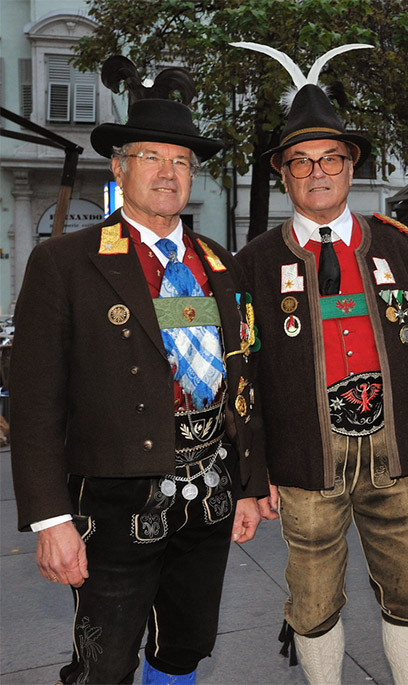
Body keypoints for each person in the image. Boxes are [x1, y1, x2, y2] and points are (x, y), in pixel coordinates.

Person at [9, 57, 265, 684]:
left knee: (186, 646)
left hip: (209, 492)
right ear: (120, 168)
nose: (167, 172)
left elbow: (244, 378)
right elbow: (35, 400)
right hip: (112, 497)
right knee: (105, 661)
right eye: (150, 157)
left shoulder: (219, 264)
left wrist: (251, 481)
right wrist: (50, 519)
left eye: (180, 161)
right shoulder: (64, 262)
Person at [233, 43, 408, 685]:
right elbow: (243, 376)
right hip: (306, 464)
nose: (317, 172)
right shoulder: (254, 264)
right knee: (313, 601)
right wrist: (256, 468)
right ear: (283, 174)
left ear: (351, 164)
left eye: (330, 157)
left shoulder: (396, 245)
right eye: (301, 162)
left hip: (396, 455)